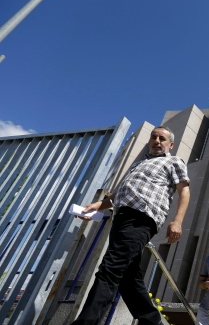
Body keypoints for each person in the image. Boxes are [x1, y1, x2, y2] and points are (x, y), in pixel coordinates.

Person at [72, 126, 190, 325]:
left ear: (170, 144)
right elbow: (117, 196)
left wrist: (177, 221)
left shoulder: (173, 161)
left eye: (162, 138)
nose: (157, 140)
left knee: (110, 268)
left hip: (142, 217)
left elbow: (184, 192)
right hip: (121, 219)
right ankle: (152, 321)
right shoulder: (138, 164)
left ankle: (86, 322)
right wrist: (96, 206)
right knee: (128, 278)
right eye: (153, 137)